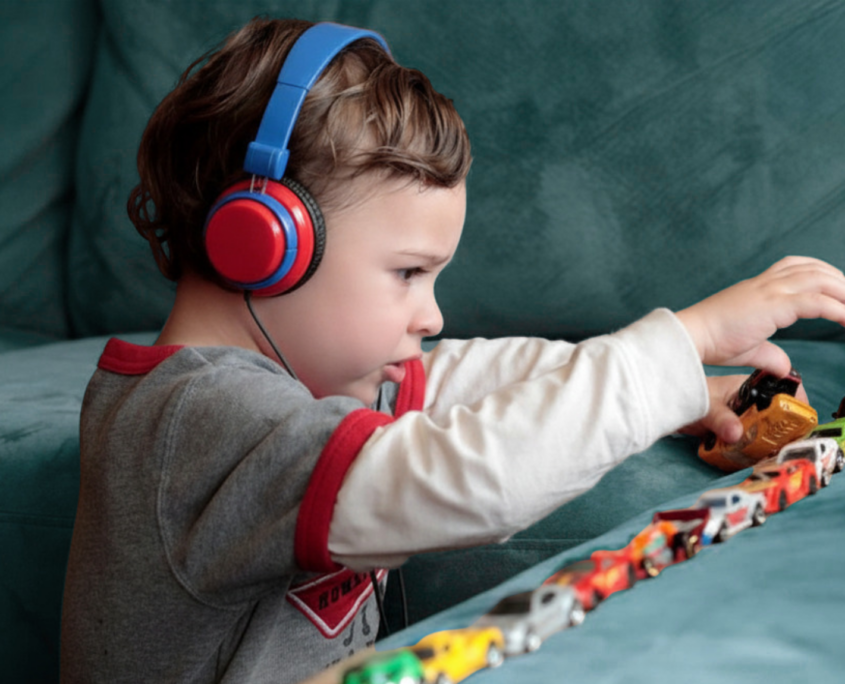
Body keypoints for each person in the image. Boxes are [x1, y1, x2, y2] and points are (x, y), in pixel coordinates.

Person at [60, 16, 845, 684]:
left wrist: (678, 389)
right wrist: (687, 337)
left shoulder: (285, 387)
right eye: (406, 274)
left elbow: (446, 381)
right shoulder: (196, 422)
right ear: (259, 245)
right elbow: (467, 479)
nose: (430, 315)